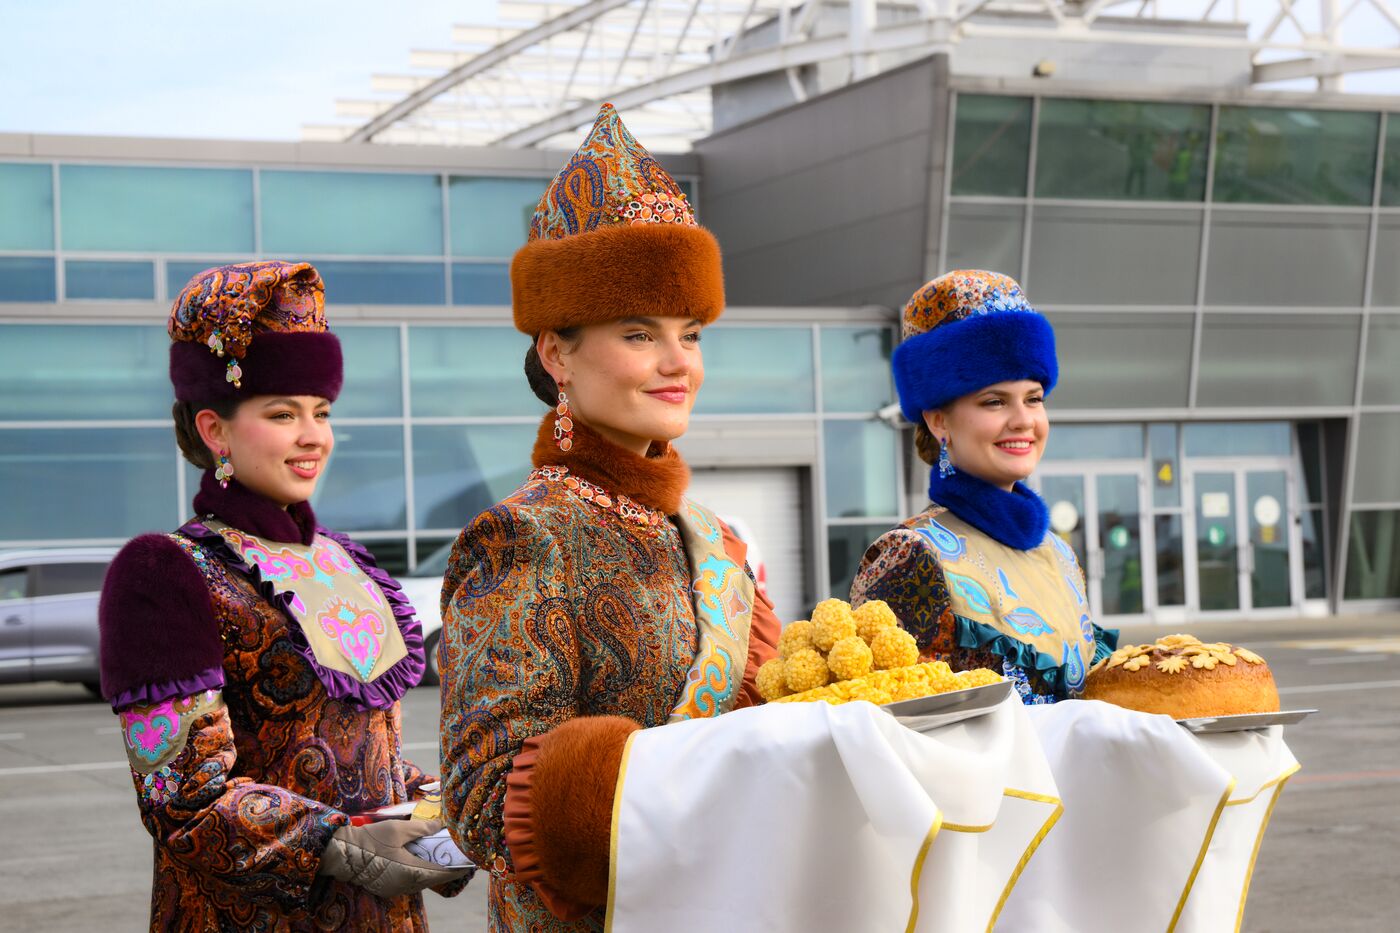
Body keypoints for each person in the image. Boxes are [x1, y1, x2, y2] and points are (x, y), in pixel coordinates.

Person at [438, 104, 781, 931]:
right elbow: (483, 798)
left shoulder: (716, 539)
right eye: (639, 334)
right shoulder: (522, 537)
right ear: (557, 352)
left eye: (690, 334)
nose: (677, 364)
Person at [97, 262, 469, 931]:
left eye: (321, 413)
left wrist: (443, 807)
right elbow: (181, 796)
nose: (313, 436)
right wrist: (341, 846)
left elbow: (366, 757)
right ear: (214, 431)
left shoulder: (344, 560)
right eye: (282, 413)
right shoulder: (165, 571)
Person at [850, 270, 1116, 703]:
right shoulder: (909, 554)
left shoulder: (1060, 554)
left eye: (1034, 398)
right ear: (939, 421)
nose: (1024, 420)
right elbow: (882, 725)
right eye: (994, 401)